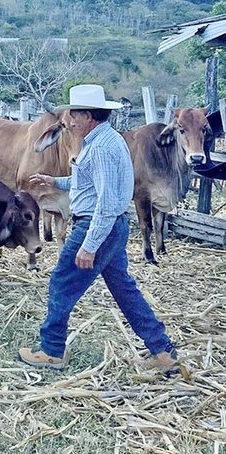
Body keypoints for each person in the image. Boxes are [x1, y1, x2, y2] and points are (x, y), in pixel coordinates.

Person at [18, 83, 181, 376]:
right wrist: (55, 182)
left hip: (97, 225)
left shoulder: (103, 147)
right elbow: (89, 184)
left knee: (61, 283)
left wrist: (89, 244)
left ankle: (52, 350)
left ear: (87, 116)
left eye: (72, 114)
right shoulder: (101, 141)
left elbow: (105, 202)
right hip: (109, 227)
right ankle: (163, 352)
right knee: (125, 290)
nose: (67, 120)